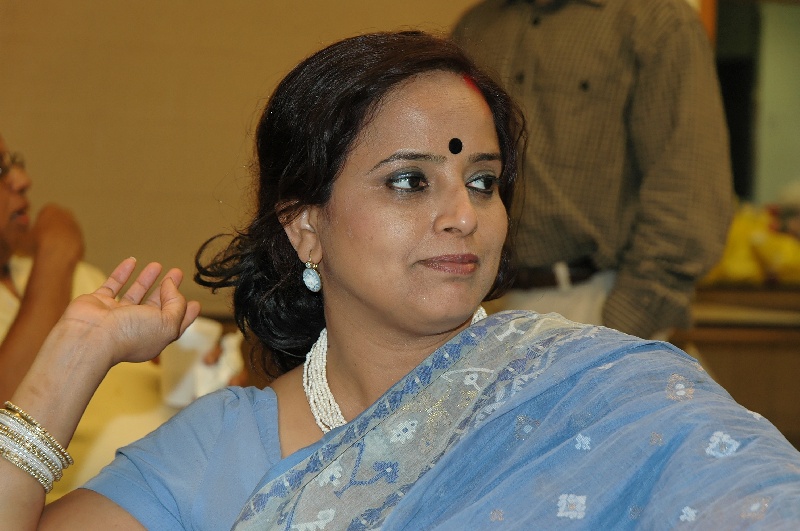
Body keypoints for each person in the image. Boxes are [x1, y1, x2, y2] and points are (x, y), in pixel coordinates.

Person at [1, 32, 798, 530]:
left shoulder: (599, 397)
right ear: (305, 225)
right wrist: (69, 358)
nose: (463, 215)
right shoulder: (219, 448)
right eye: (410, 181)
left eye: (482, 181)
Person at [452, 0, 735, 339]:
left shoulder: (656, 21)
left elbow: (688, 194)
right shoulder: (478, 24)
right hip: (477, 300)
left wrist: (621, 323)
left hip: (593, 302)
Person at [0, 135, 107, 398]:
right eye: (0, 170)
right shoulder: (58, 264)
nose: (23, 180)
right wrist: (56, 251)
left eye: (14, 163)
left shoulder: (81, 275)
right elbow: (10, 413)